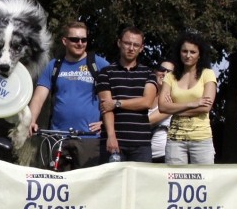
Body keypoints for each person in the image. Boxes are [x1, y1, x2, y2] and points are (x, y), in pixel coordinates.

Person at [28, 21, 110, 168]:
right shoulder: (54, 65)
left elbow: (116, 96)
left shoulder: (99, 64)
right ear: (65, 41)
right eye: (75, 39)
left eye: (83, 40)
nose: (80, 43)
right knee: (58, 185)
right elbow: (39, 97)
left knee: (88, 186)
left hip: (89, 138)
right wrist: (31, 120)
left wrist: (106, 124)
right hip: (57, 137)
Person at [96, 26, 158, 163]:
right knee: (112, 184)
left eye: (136, 45)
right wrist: (111, 136)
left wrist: (117, 103)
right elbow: (106, 107)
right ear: (119, 43)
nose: (131, 48)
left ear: (141, 48)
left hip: (141, 143)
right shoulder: (105, 72)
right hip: (114, 142)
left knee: (141, 184)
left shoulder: (148, 73)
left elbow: (147, 102)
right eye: (127, 43)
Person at [158, 32, 217, 164]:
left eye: (192, 52)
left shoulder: (208, 74)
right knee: (175, 181)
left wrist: (173, 108)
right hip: (175, 138)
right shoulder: (170, 77)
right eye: (184, 51)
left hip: (201, 138)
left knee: (204, 181)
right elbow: (162, 107)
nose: (188, 55)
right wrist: (193, 104)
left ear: (199, 54)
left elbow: (206, 107)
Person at [148, 61, 174, 163]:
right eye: (162, 69)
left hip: (162, 155)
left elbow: (149, 121)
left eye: (169, 72)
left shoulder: (172, 98)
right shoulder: (145, 94)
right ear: (155, 72)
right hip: (141, 154)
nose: (164, 74)